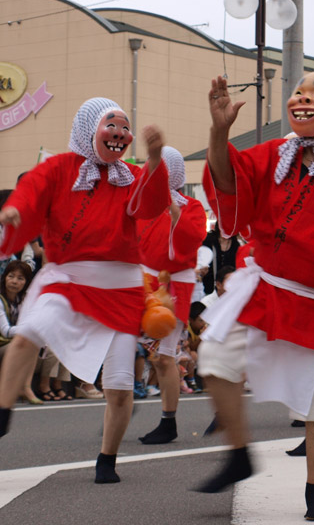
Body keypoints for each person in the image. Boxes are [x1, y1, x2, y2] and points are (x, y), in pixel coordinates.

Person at [195, 71, 314, 521]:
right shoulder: (275, 152)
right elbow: (228, 182)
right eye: (300, 91)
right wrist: (219, 132)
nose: (305, 98)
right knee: (214, 360)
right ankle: (239, 454)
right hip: (264, 284)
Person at [0, 97, 170, 484]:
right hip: (69, 278)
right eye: (112, 125)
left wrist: (156, 159)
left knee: (121, 388)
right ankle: (2, 412)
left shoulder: (129, 176)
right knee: (27, 334)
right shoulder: (59, 168)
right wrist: (15, 214)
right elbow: (30, 194)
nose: (120, 134)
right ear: (88, 127)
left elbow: (152, 205)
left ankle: (107, 459)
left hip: (121, 288)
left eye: (125, 129)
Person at [137, 146, 207, 444]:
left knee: (163, 357)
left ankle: (169, 421)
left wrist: (174, 211)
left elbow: (192, 241)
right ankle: (122, 401)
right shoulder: (142, 204)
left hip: (172, 287)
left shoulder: (190, 207)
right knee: (130, 349)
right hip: (141, 283)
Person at [0, 261, 38, 404]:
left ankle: (26, 387)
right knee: (28, 343)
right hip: (3, 342)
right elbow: (6, 331)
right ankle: (25, 388)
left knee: (33, 344)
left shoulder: (21, 300)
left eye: (20, 278)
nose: (14, 281)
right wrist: (32, 329)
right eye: (11, 276)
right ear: (4, 278)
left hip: (9, 342)